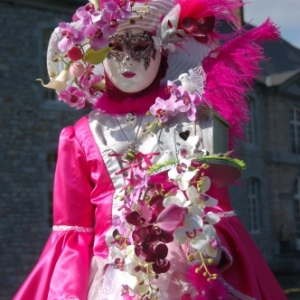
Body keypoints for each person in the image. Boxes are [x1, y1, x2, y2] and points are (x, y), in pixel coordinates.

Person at [14, 0, 288, 299]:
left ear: (162, 53)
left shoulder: (190, 119)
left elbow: (216, 205)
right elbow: (73, 230)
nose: (128, 60)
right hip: (112, 279)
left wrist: (212, 245)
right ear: (100, 57)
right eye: (116, 49)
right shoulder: (79, 136)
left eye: (140, 48)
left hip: (186, 274)